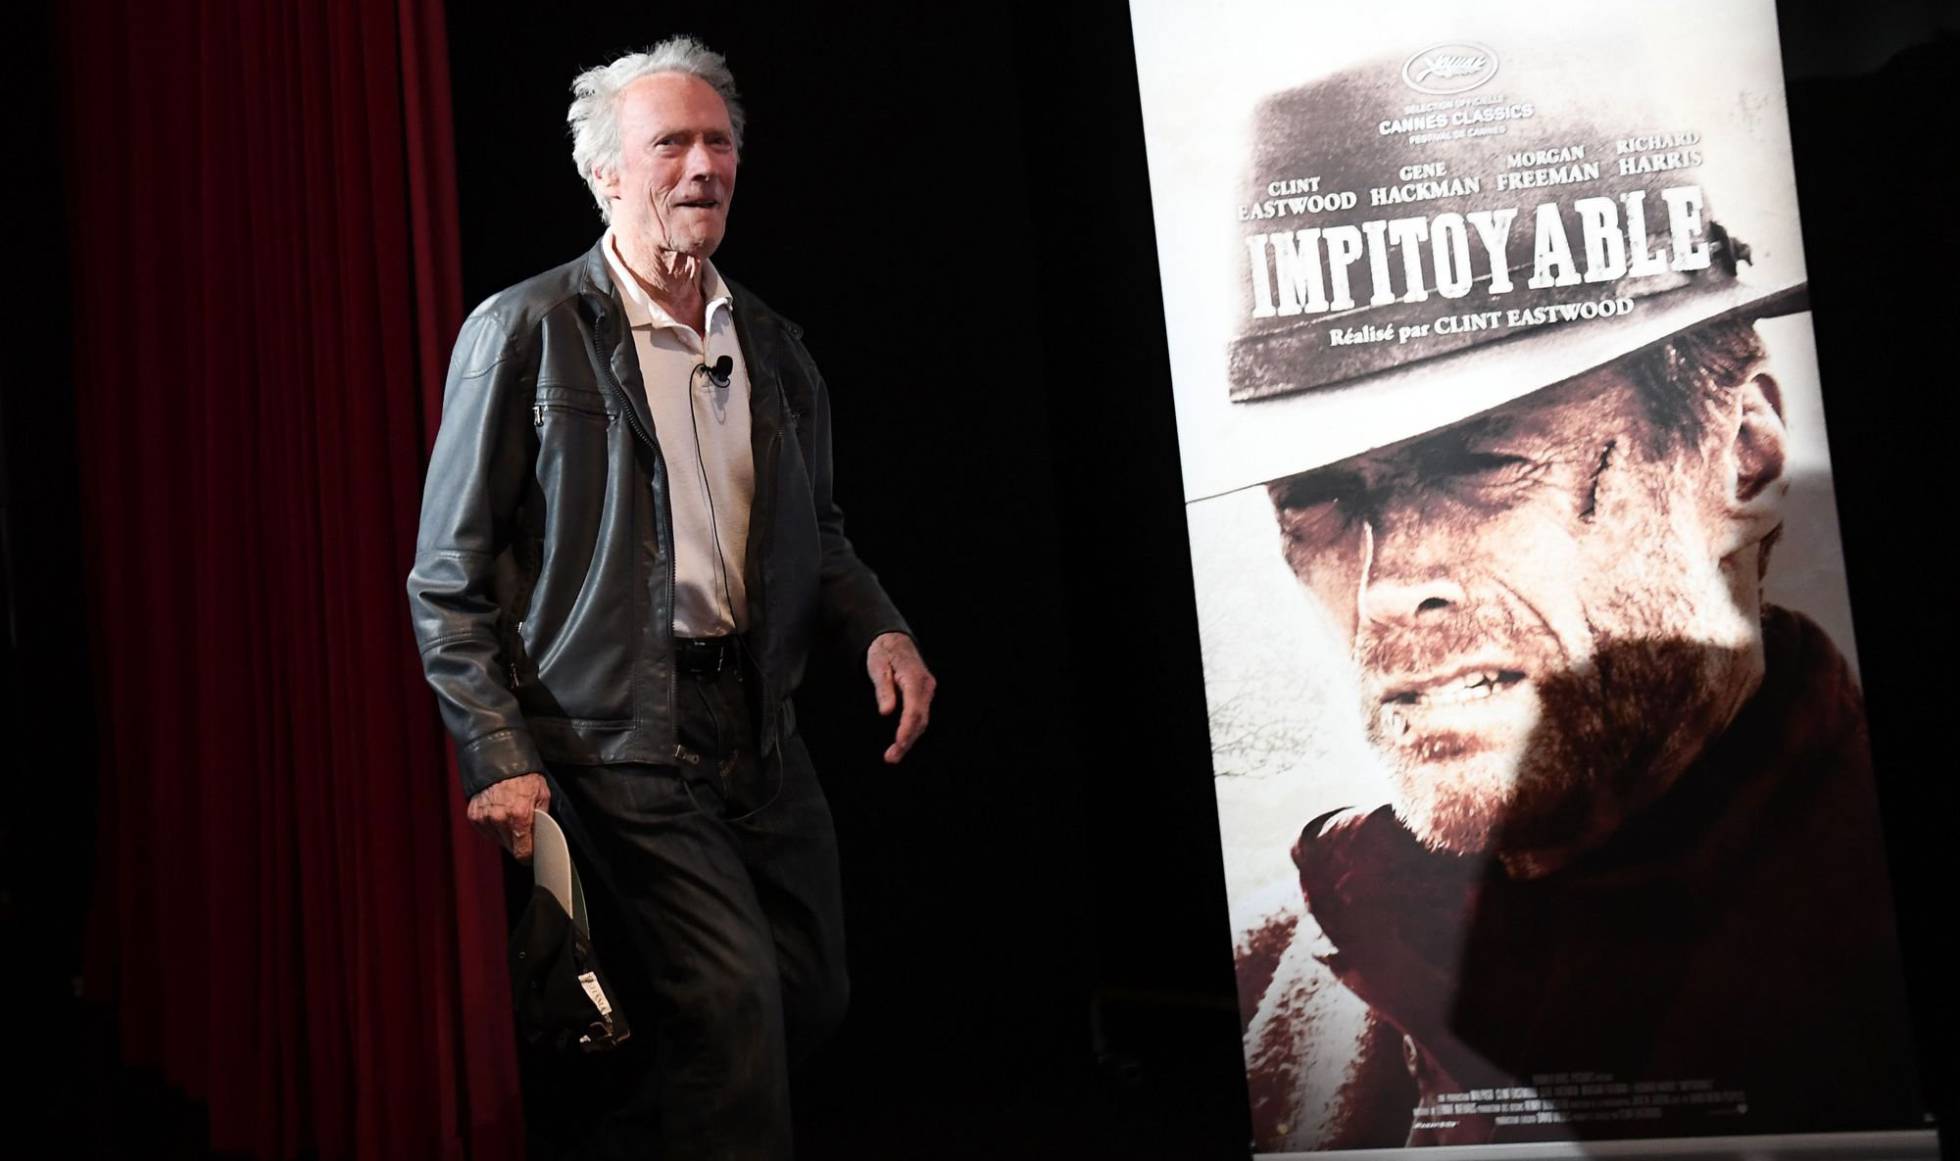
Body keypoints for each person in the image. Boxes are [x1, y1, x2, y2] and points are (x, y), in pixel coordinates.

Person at [406, 36, 935, 1160]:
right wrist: (497, 751)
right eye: (671, 144)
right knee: (732, 1001)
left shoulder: (774, 348)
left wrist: (880, 627)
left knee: (807, 994)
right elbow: (446, 579)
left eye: (718, 141)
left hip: (758, 728)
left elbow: (817, 533)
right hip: (617, 736)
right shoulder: (527, 332)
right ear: (605, 174)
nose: (703, 165)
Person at [1236, 317, 1920, 1148]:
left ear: (1745, 456)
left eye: (1484, 463)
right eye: (1320, 499)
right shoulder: (1262, 982)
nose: (1385, 589)